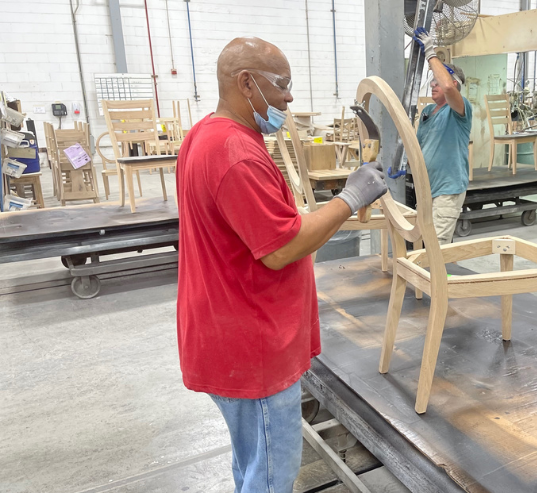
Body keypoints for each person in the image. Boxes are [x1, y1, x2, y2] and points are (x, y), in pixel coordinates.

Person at [175, 37, 387, 493]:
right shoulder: (235, 154)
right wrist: (350, 199)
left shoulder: (205, 135)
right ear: (246, 83)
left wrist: (336, 206)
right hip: (251, 347)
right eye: (283, 85)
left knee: (252, 462)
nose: (290, 97)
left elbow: (262, 226)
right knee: (271, 477)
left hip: (224, 329)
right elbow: (282, 247)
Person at [413, 28, 473, 246]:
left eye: (436, 81)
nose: (433, 85)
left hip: (447, 190)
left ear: (454, 83)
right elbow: (419, 147)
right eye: (432, 82)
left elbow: (447, 85)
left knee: (436, 247)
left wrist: (430, 52)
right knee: (423, 242)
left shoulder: (459, 109)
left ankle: (440, 280)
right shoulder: (428, 111)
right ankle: (433, 280)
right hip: (426, 189)